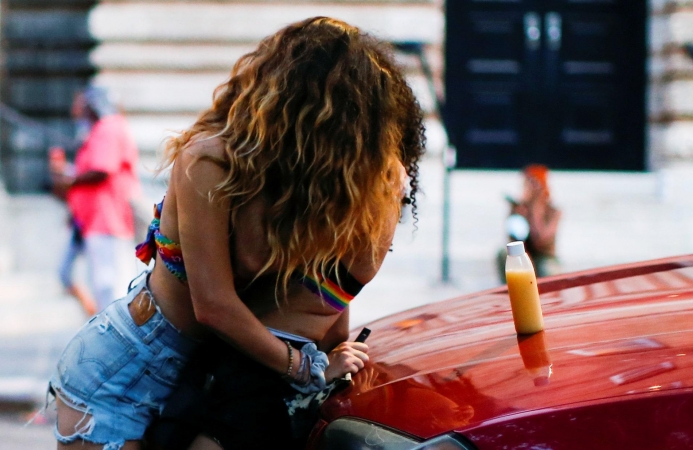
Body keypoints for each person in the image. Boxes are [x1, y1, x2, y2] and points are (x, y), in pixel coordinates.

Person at [48, 17, 425, 450]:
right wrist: (304, 367)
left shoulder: (296, 185)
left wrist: (333, 352)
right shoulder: (210, 161)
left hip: (203, 371)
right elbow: (214, 306)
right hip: (127, 370)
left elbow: (323, 284)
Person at [49, 86, 142, 316]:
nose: (82, 113)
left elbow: (102, 169)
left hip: (107, 218)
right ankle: (102, 326)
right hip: (92, 220)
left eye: (86, 108)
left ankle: (114, 335)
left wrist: (70, 180)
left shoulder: (108, 127)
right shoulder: (101, 130)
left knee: (110, 284)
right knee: (102, 283)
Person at [498, 164, 562, 282]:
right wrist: (516, 215)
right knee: (502, 254)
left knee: (548, 269)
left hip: (544, 257)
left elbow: (541, 240)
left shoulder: (553, 211)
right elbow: (512, 240)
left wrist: (535, 209)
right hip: (525, 255)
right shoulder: (520, 208)